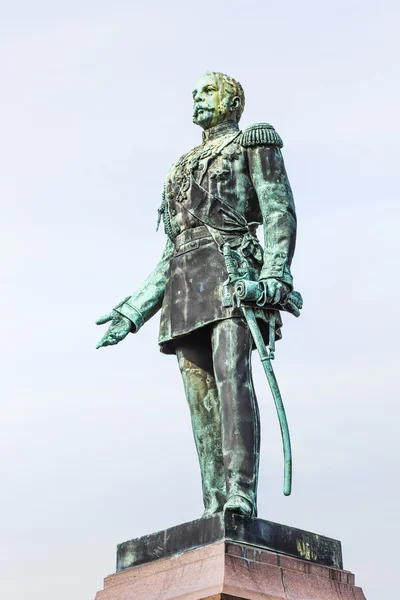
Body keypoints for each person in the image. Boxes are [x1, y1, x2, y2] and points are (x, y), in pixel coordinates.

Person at [96, 72, 299, 518]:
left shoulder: (253, 142)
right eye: (195, 92)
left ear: (232, 100)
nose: (197, 97)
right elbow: (171, 250)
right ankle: (213, 503)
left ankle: (240, 494)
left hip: (232, 274)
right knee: (200, 400)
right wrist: (133, 311)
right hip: (185, 288)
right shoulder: (180, 166)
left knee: (232, 381)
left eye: (207, 91)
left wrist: (274, 276)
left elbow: (278, 211)